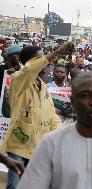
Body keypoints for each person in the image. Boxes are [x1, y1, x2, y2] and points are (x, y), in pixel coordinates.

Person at [0, 44, 71, 189]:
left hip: (38, 148)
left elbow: (51, 115)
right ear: (33, 61)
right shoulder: (18, 79)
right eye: (41, 57)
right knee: (15, 185)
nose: (47, 61)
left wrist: (60, 135)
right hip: (18, 145)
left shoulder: (44, 87)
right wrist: (57, 52)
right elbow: (29, 70)